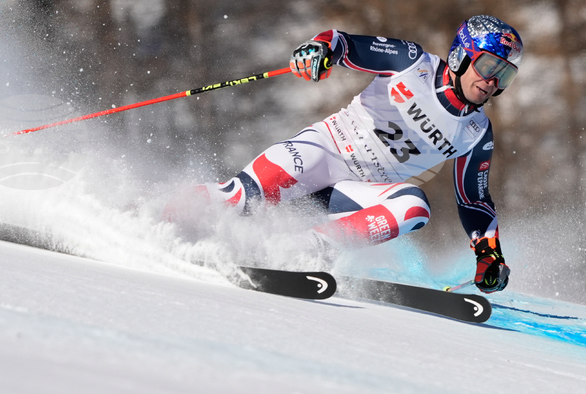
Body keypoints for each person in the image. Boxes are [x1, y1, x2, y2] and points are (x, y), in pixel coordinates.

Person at [181, 15, 522, 294]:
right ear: (463, 55)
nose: (493, 81)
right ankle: (164, 216)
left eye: (504, 73)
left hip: (352, 194)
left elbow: (474, 200)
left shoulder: (477, 132)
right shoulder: (411, 62)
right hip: (323, 153)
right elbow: (342, 43)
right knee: (239, 198)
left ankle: (303, 253)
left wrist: (488, 253)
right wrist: (319, 49)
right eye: (489, 66)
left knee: (415, 207)